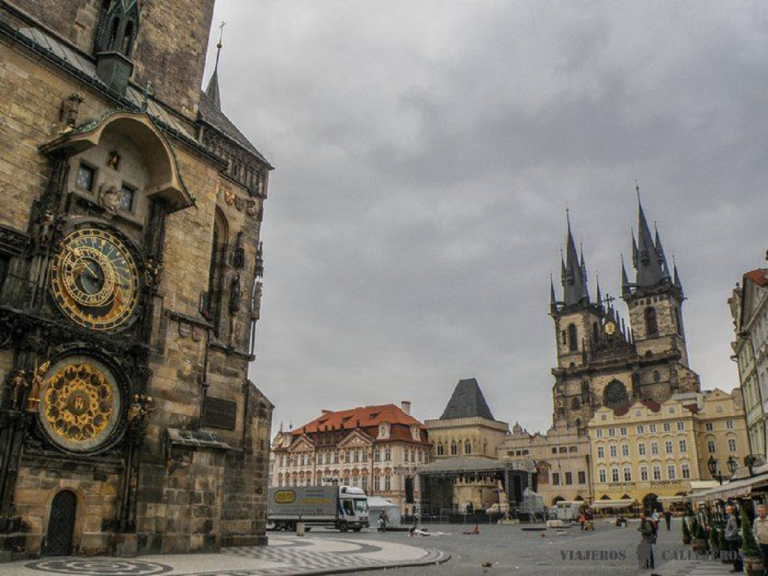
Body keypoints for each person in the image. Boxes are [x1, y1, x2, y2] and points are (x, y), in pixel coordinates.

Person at [724, 505, 743, 573]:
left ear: (731, 511)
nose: (726, 511)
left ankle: (737, 567)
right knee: (734, 553)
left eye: (728, 510)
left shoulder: (732, 518)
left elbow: (735, 529)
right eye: (726, 509)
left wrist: (729, 535)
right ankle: (738, 567)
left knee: (734, 553)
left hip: (733, 539)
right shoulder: (730, 518)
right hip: (731, 539)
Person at [752, 504, 768, 572]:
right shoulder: (756, 521)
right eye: (760, 511)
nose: (761, 512)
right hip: (762, 543)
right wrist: (757, 540)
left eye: (763, 511)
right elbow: (754, 532)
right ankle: (766, 571)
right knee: (765, 559)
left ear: (766, 511)